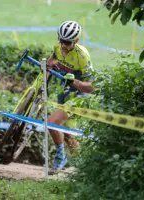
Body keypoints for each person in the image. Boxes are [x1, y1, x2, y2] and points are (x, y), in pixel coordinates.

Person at [46, 21, 95, 174]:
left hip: (80, 95)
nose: (63, 45)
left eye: (67, 42)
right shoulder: (57, 48)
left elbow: (92, 86)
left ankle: (61, 158)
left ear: (76, 41)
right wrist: (45, 77)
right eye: (61, 40)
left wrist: (75, 81)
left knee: (52, 122)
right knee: (67, 134)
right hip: (65, 92)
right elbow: (50, 62)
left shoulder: (82, 56)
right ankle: (84, 167)